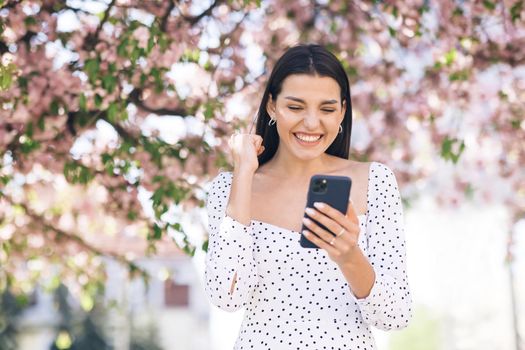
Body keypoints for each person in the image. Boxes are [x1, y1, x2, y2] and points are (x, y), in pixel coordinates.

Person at [204, 44, 411, 349]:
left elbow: (395, 315)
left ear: (342, 111)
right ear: (272, 106)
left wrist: (349, 256)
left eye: (326, 109)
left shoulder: (375, 182)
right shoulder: (232, 185)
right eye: (296, 107)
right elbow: (227, 296)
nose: (312, 123)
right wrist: (243, 174)